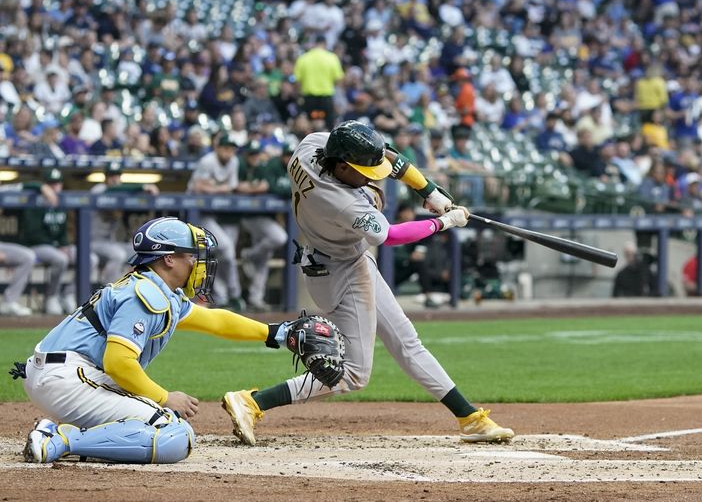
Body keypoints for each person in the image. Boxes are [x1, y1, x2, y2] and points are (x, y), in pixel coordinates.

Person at [222, 120, 513, 445]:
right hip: (341, 271)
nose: (369, 177)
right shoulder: (341, 201)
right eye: (361, 171)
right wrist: (444, 221)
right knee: (353, 374)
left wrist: (427, 189)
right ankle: (252, 402)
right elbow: (391, 235)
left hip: (338, 259)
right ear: (343, 165)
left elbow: (385, 155)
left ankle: (469, 417)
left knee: (406, 342)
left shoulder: (311, 146)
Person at [16, 216, 295, 464]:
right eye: (190, 255)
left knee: (165, 425)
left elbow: (216, 320)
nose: (197, 262)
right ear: (169, 258)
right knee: (174, 435)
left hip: (63, 374)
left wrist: (275, 333)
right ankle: (59, 440)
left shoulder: (159, 290)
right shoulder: (144, 295)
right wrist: (165, 397)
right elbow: (118, 362)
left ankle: (70, 436)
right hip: (68, 378)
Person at [187, 134, 245, 311]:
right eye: (225, 148)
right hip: (196, 213)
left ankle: (223, 297)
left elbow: (232, 187)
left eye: (232, 149)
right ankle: (232, 295)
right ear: (217, 148)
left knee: (224, 254)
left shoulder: (234, 161)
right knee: (222, 248)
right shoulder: (207, 161)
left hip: (215, 214)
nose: (229, 152)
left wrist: (213, 188)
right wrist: (219, 189)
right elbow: (198, 187)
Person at [235, 141, 288, 311]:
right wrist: (256, 189)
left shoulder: (269, 166)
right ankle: (249, 254)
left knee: (263, 260)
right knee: (280, 237)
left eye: (257, 154)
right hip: (250, 217)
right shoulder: (245, 165)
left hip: (266, 217)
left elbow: (274, 188)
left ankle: (255, 298)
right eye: (252, 154)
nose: (255, 158)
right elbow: (270, 187)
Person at [18, 168, 79, 314]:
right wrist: (57, 246)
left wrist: (63, 244)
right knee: (61, 259)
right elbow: (33, 234)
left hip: (56, 247)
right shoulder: (36, 202)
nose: (54, 187)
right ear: (45, 186)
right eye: (51, 184)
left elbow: (63, 231)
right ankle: (52, 296)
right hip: (37, 246)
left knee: (88, 257)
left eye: (57, 184)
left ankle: (69, 293)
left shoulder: (61, 202)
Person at [90, 161, 158, 283]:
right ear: (105, 177)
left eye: (117, 176)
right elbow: (113, 191)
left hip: (109, 242)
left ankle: (131, 286)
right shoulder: (99, 190)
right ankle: (108, 291)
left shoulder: (119, 192)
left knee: (139, 251)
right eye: (111, 176)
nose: (114, 179)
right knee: (119, 255)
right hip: (91, 242)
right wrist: (142, 187)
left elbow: (122, 191)